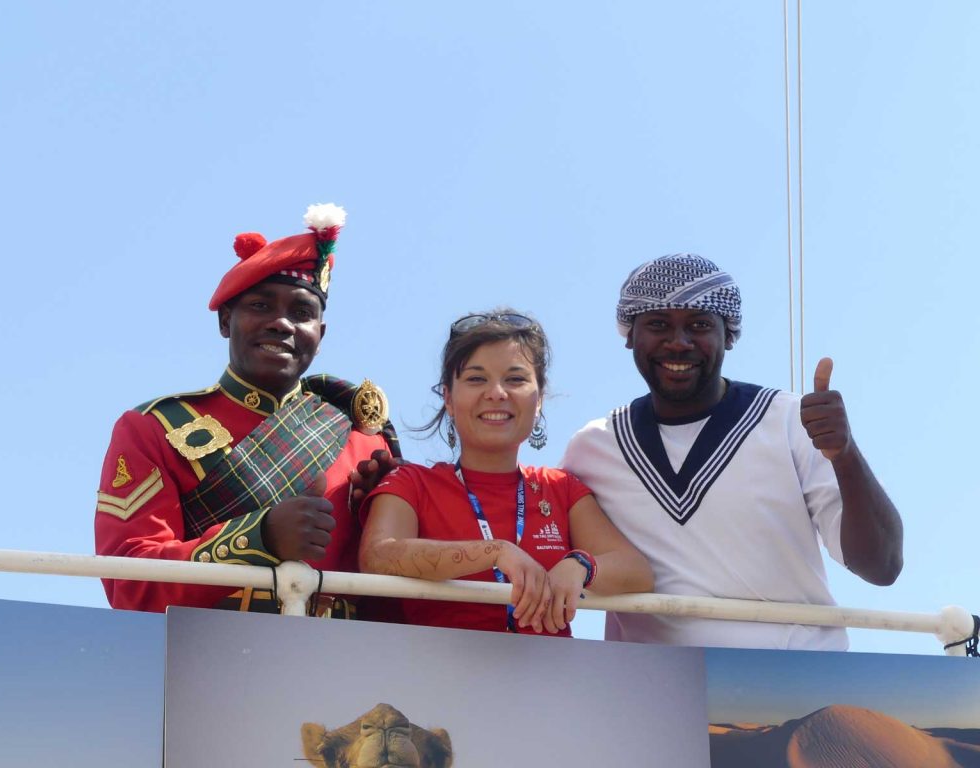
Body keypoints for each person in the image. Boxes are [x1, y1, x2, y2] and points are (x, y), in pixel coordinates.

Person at [562, 254, 903, 650]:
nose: (678, 341)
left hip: (797, 687)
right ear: (629, 336)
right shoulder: (592, 447)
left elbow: (882, 566)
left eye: (700, 325)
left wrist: (845, 455)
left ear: (730, 336)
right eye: (658, 324)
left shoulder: (790, 419)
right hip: (653, 695)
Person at [95, 204, 401, 616]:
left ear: (320, 335)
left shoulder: (364, 437)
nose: (281, 323)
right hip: (208, 659)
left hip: (345, 667)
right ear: (226, 321)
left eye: (301, 313)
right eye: (260, 306)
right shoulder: (155, 428)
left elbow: (398, 595)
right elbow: (129, 585)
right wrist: (258, 538)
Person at [359, 311, 654, 635]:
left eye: (515, 379)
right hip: (435, 678)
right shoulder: (410, 482)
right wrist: (494, 552)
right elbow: (378, 555)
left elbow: (637, 571)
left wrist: (580, 565)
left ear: (539, 398)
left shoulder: (561, 488)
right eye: (476, 379)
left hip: (551, 680)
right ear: (448, 398)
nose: (497, 393)